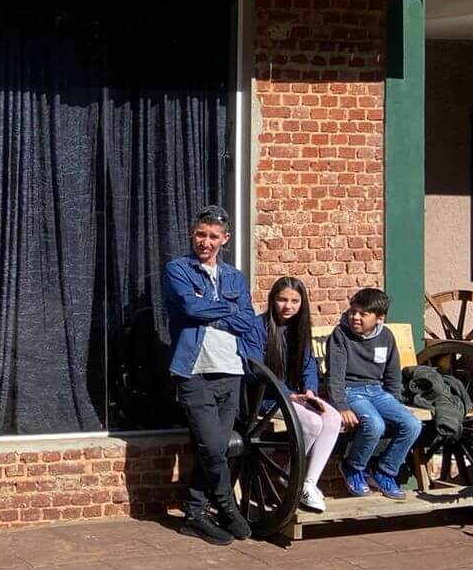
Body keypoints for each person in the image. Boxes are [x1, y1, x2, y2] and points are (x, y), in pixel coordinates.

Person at [164, 205, 266, 547]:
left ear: (225, 239)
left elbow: (247, 320)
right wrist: (228, 309)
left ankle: (195, 513)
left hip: (230, 370)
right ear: (192, 234)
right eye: (200, 234)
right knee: (211, 446)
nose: (205, 242)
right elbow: (190, 307)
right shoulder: (178, 269)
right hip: (194, 372)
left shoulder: (235, 277)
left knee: (217, 448)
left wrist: (212, 310)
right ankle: (226, 506)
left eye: (212, 236)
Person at [327, 287, 420, 502]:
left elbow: (392, 373)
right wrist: (341, 406)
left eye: (363, 314)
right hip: (352, 391)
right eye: (353, 311)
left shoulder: (386, 336)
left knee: (412, 424)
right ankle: (353, 466)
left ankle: (385, 471)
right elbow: (335, 375)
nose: (355, 317)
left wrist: (395, 402)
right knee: (375, 425)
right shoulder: (340, 335)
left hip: (377, 391)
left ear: (379, 318)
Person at [264, 277, 342, 514]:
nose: (288, 306)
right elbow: (257, 369)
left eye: (294, 301)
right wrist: (289, 395)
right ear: (273, 300)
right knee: (312, 421)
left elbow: (309, 365)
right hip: (268, 397)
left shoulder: (300, 329)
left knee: (332, 418)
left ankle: (308, 482)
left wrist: (309, 391)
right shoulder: (259, 327)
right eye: (282, 300)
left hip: (296, 396)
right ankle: (290, 474)